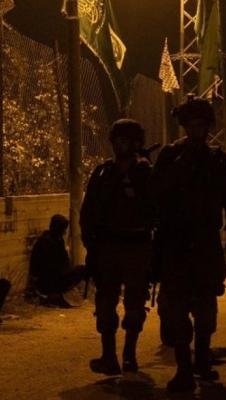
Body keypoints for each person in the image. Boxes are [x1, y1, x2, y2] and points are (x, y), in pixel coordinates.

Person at [152, 95, 226, 392]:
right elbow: (155, 196)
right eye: (191, 126)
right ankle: (184, 369)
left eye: (201, 126)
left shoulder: (217, 159)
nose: (196, 131)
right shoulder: (170, 156)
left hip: (205, 243)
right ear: (185, 127)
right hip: (175, 243)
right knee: (177, 310)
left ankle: (202, 360)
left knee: (206, 310)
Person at [80, 119, 154, 376]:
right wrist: (91, 246)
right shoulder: (103, 173)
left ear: (136, 143)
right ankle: (110, 356)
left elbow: (157, 210)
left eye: (126, 141)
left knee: (135, 303)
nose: (120, 146)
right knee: (105, 302)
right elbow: (88, 212)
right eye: (118, 141)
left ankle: (129, 355)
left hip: (136, 245)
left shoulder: (145, 173)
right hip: (108, 246)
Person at [28, 214, 87, 304]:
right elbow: (51, 266)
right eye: (63, 229)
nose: (64, 233)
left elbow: (63, 261)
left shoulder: (57, 240)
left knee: (82, 270)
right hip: (46, 280)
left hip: (56, 275)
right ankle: (54, 295)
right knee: (80, 270)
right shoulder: (46, 242)